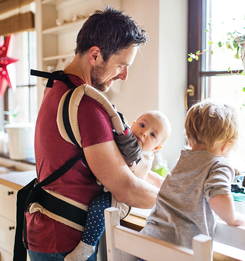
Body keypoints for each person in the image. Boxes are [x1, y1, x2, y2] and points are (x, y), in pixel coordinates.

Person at [27, 6, 160, 261]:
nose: (124, 75)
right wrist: (179, 201)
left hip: (47, 231)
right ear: (95, 55)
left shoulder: (57, 84)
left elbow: (110, 164)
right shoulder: (86, 106)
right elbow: (125, 189)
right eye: (121, 65)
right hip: (64, 242)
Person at [64, 110, 171, 261]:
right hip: (108, 189)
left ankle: (87, 246)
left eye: (153, 135)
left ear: (156, 148)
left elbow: (130, 168)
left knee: (98, 207)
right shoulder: (129, 143)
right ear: (132, 124)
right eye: (142, 125)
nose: (144, 132)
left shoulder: (143, 157)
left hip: (120, 202)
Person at [141, 99, 245, 250]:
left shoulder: (183, 160)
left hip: (148, 241)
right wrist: (234, 218)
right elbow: (219, 197)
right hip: (180, 250)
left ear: (189, 140)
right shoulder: (220, 164)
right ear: (227, 144)